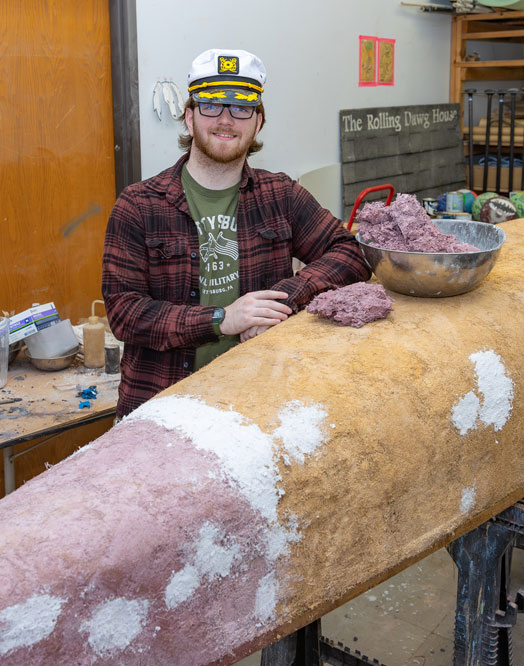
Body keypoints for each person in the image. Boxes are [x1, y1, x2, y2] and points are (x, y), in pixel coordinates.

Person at [102, 48, 370, 419]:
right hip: (161, 408)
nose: (226, 119)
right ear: (189, 117)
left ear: (258, 122)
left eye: (242, 107)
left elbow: (350, 252)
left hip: (258, 400)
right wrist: (221, 319)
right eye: (211, 105)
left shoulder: (282, 196)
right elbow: (125, 314)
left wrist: (282, 300)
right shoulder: (139, 206)